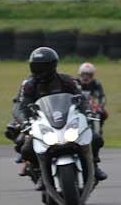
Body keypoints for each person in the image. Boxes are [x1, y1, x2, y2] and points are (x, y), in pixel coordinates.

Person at [10, 47, 107, 181]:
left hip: (68, 120)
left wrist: (88, 111)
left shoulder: (66, 80)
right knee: (26, 150)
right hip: (43, 124)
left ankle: (94, 165)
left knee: (95, 138)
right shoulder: (29, 85)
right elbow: (21, 106)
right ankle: (40, 173)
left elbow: (82, 98)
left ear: (52, 66)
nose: (39, 70)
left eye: (43, 66)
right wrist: (25, 121)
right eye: (36, 66)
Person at [78, 62, 108, 130]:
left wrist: (100, 107)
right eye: (84, 74)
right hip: (78, 105)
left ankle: (98, 130)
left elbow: (102, 96)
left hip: (91, 106)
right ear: (80, 74)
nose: (86, 77)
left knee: (104, 114)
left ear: (92, 75)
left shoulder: (96, 83)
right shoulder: (75, 82)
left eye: (89, 75)